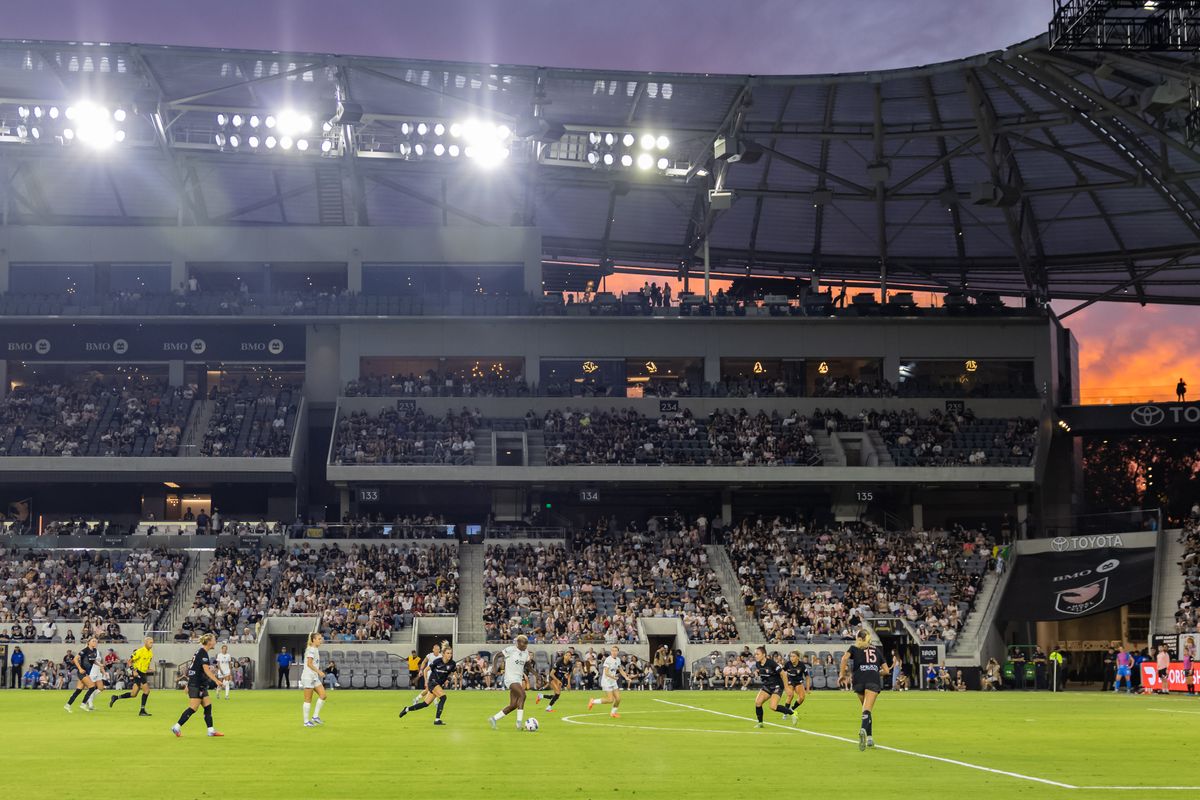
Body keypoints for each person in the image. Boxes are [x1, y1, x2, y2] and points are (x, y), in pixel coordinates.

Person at [839, 629, 891, 751]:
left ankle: (870, 738)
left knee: (865, 710)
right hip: (872, 680)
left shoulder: (854, 648)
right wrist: (877, 673)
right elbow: (887, 671)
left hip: (859, 680)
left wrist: (842, 674)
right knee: (867, 710)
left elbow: (844, 659)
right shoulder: (876, 650)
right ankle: (863, 730)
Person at [171, 633, 223, 737]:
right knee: (193, 708)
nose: (215, 642)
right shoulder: (203, 653)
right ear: (209, 642)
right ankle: (176, 727)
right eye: (214, 640)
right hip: (197, 684)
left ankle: (211, 730)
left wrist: (188, 684)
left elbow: (192, 669)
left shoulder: (200, 652)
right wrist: (217, 681)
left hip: (198, 684)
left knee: (208, 706)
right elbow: (207, 670)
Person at [399, 645, 455, 725]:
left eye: (451, 653)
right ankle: (437, 720)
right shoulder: (437, 661)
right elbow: (426, 670)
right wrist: (426, 681)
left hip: (438, 684)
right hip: (432, 682)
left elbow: (452, 672)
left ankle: (406, 709)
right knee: (443, 697)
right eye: (448, 653)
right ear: (443, 654)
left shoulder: (452, 663)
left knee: (425, 704)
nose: (450, 655)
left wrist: (448, 679)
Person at [489, 635, 536, 730]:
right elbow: (497, 655)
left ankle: (494, 718)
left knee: (514, 705)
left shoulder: (526, 652)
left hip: (518, 679)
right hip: (510, 679)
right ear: (518, 643)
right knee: (523, 695)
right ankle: (519, 723)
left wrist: (536, 674)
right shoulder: (510, 650)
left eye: (526, 645)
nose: (525, 647)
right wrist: (494, 667)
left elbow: (528, 666)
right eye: (523, 645)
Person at [751, 647, 796, 728]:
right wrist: (757, 673)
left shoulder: (771, 663)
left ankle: (792, 713)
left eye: (758, 654)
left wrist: (786, 688)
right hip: (767, 685)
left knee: (773, 707)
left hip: (777, 686)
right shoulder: (758, 663)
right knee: (758, 702)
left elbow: (783, 674)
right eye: (755, 654)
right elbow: (762, 672)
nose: (756, 656)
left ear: (764, 655)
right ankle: (760, 723)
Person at [109, 636, 155, 716]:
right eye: (150, 642)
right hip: (138, 673)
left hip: (143, 673)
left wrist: (149, 669)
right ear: (145, 643)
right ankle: (142, 711)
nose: (152, 644)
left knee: (133, 694)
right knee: (147, 691)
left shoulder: (150, 653)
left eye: (152, 642)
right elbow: (129, 661)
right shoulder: (140, 651)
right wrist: (133, 671)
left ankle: (115, 697)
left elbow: (146, 664)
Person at [587, 645, 631, 719]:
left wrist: (626, 677)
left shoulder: (618, 660)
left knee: (618, 699)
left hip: (613, 681)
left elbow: (620, 670)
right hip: (606, 681)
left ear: (618, 652)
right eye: (612, 651)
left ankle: (613, 713)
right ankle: (593, 701)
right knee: (610, 700)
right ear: (611, 652)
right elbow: (606, 673)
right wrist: (614, 677)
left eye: (615, 651)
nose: (614, 652)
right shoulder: (608, 660)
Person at [64, 637, 104, 713]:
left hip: (87, 672)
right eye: (93, 641)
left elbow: (93, 660)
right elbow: (75, 659)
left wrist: (99, 664)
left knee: (78, 691)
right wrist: (80, 669)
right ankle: (83, 704)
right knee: (92, 687)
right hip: (82, 672)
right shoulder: (85, 650)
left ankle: (67, 705)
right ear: (89, 642)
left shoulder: (95, 650)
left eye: (96, 641)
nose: (95, 642)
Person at [300, 632, 328, 728]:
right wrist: (319, 671)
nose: (321, 640)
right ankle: (306, 721)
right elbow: (309, 664)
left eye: (321, 639)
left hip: (314, 677)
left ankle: (315, 716)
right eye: (319, 639)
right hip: (308, 677)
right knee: (308, 700)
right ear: (313, 640)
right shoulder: (311, 649)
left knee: (323, 695)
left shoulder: (315, 649)